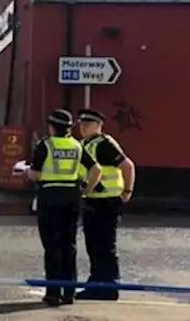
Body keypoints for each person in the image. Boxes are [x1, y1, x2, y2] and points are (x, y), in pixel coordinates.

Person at [23, 108, 103, 307]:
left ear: (51, 126)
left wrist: (26, 172)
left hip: (50, 197)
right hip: (71, 197)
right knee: (69, 245)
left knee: (51, 245)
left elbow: (35, 174)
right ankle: (69, 293)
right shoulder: (77, 145)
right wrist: (85, 189)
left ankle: (53, 293)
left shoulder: (45, 145)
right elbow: (96, 169)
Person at [76, 108, 136, 301]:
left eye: (87, 124)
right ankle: (95, 284)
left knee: (106, 245)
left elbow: (128, 166)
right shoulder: (85, 144)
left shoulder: (104, 144)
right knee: (93, 245)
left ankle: (109, 286)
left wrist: (127, 192)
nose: (83, 127)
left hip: (107, 201)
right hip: (92, 200)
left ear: (98, 126)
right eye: (81, 124)